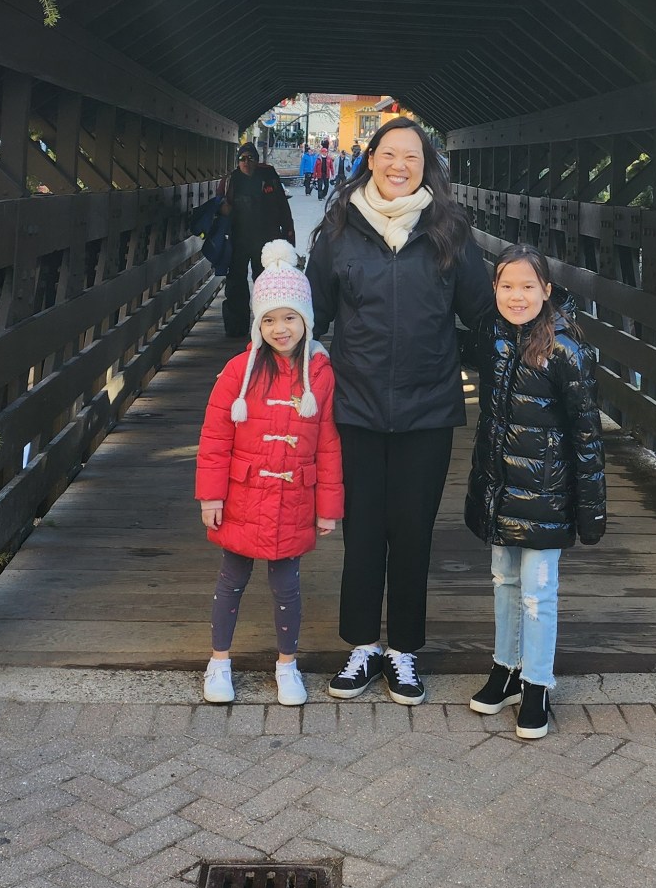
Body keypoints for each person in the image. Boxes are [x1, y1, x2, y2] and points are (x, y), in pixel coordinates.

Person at [307, 117, 492, 704]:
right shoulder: (338, 232)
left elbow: (484, 313)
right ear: (371, 160)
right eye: (389, 154)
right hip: (357, 408)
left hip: (429, 411)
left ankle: (404, 650)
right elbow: (311, 317)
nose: (399, 166)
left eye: (411, 157)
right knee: (363, 531)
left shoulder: (450, 232)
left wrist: (525, 371)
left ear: (426, 165)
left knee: (413, 534)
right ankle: (361, 646)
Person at [463, 245, 606, 740]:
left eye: (527, 286)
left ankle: (537, 684)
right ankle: (504, 669)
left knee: (538, 593)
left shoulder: (568, 349)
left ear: (547, 291)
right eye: (506, 286)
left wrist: (590, 510)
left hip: (546, 491)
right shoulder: (491, 334)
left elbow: (587, 435)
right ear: (495, 289)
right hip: (499, 486)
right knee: (503, 580)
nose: (516, 296)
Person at [195, 242, 343, 707]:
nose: (281, 328)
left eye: (290, 318)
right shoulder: (238, 372)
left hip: (293, 497)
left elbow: (329, 443)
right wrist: (211, 497)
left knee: (287, 586)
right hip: (241, 495)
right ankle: (219, 660)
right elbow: (215, 438)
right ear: (258, 324)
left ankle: (287, 664)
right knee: (230, 579)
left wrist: (328, 508)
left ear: (307, 320)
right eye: (269, 319)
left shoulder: (319, 374)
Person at [219, 142, 294, 336]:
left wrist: (288, 235)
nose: (246, 162)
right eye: (242, 159)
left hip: (266, 241)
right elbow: (218, 206)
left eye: (250, 158)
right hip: (239, 240)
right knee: (236, 284)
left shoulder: (269, 178)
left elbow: (283, 207)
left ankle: (267, 326)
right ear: (237, 162)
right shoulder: (231, 180)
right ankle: (236, 328)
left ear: (257, 161)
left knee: (266, 284)